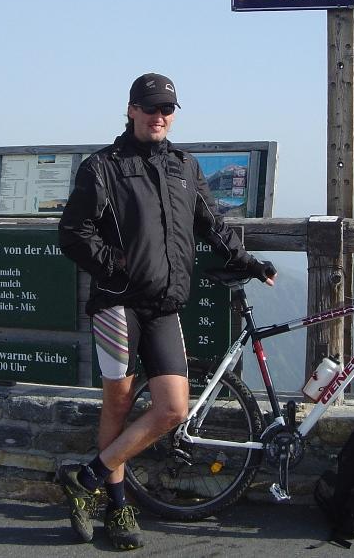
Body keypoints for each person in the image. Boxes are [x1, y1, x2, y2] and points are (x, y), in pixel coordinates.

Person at [57, 72, 275, 550]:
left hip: (164, 304)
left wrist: (248, 262)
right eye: (151, 108)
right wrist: (118, 266)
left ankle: (86, 478)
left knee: (173, 409)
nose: (160, 116)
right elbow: (73, 232)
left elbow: (211, 223)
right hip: (118, 303)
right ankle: (117, 507)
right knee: (117, 401)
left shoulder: (184, 166)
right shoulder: (103, 166)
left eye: (167, 109)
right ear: (131, 110)